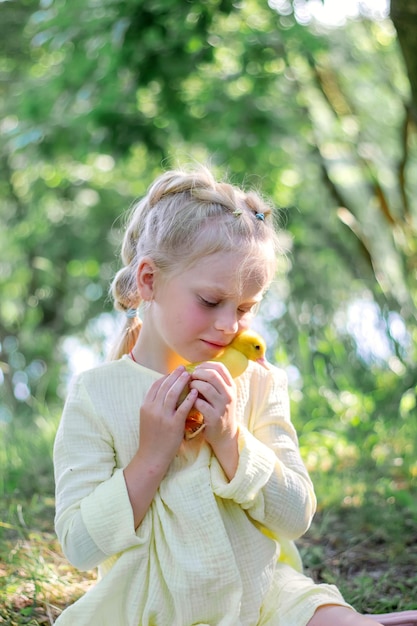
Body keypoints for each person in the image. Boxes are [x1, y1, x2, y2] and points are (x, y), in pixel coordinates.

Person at [53, 166, 382, 626]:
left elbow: (296, 517)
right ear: (148, 281)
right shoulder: (96, 394)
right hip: (147, 604)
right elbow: (79, 544)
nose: (229, 325)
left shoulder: (259, 383)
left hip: (262, 594)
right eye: (210, 302)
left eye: (246, 308)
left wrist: (232, 440)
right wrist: (151, 457)